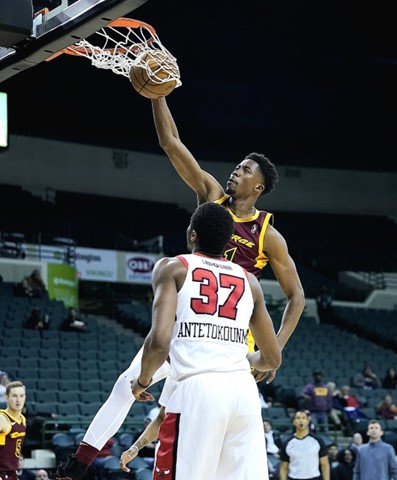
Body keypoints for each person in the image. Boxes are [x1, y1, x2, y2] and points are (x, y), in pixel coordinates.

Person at [120, 202, 282, 479]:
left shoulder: (172, 268)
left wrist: (142, 381)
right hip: (243, 394)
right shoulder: (250, 281)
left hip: (198, 389)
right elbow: (272, 358)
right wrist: (241, 358)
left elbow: (159, 341)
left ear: (192, 234)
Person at [278, 409, 330, 480]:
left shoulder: (318, 441)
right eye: (298, 418)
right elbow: (283, 468)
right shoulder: (287, 443)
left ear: (308, 421)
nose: (301, 421)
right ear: (294, 422)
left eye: (303, 418)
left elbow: (325, 465)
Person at [0, 381, 27, 480]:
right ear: (6, 397)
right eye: (14, 396)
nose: (18, 400)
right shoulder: (2, 419)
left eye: (21, 396)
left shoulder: (22, 420)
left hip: (13, 472)